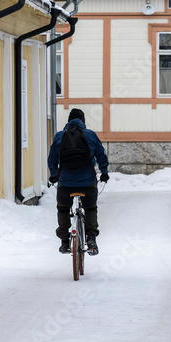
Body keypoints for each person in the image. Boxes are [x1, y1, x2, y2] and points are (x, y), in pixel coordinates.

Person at [47, 108, 110, 255]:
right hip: (88, 183)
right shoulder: (91, 135)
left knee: (63, 208)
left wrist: (54, 175)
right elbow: (102, 157)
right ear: (83, 121)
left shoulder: (59, 136)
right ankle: (91, 238)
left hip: (66, 184)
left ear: (68, 121)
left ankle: (64, 241)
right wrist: (104, 173)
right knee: (90, 208)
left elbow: (52, 160)